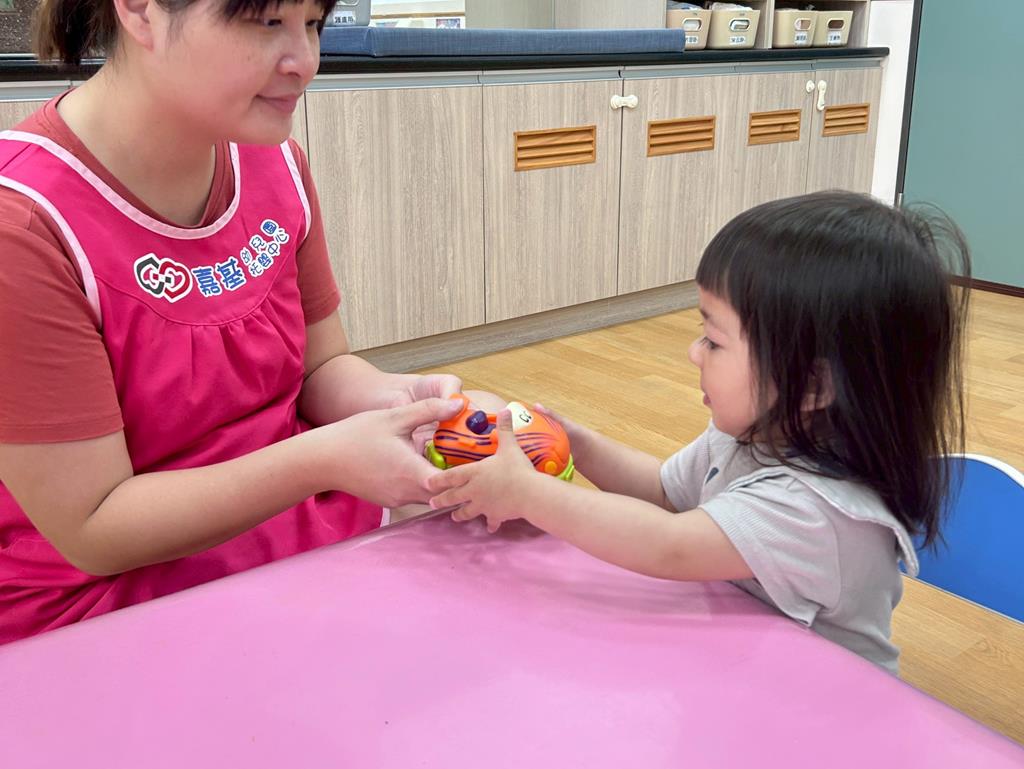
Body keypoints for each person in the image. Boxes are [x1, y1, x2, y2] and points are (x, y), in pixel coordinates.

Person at [0, 0, 467, 644]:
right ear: (140, 12)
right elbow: (93, 529)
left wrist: (400, 401)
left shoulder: (275, 162)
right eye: (267, 23)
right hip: (111, 602)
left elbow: (321, 369)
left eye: (313, 24)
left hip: (297, 530)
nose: (305, 62)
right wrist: (324, 460)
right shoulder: (24, 228)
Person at [427, 191, 971, 673]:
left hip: (828, 707)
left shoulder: (817, 513)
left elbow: (669, 546)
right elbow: (665, 493)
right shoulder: (752, 436)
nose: (694, 352)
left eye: (714, 340)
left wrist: (528, 494)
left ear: (811, 385)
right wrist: (579, 443)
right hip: (742, 661)